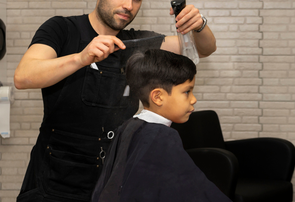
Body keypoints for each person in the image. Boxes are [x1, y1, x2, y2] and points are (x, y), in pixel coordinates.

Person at [13, 0, 216, 201]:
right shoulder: (62, 29)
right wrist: (80, 58)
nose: (129, 5)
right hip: (54, 182)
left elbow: (203, 49)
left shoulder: (137, 43)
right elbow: (23, 76)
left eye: (136, 0)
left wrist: (199, 25)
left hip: (109, 181)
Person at [91, 49, 231, 202]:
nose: (193, 99)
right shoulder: (162, 137)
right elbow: (194, 189)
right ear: (158, 97)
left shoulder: (129, 126)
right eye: (187, 92)